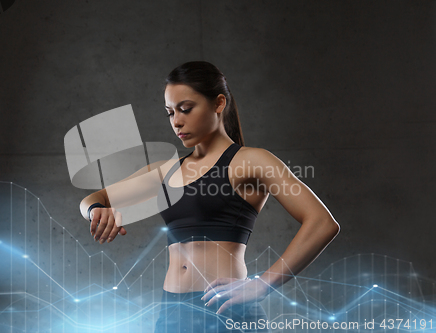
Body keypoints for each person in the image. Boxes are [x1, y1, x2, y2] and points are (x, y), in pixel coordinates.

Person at [79, 61, 340, 332]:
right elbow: (94, 198)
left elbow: (322, 222)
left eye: (186, 109)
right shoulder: (166, 171)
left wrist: (262, 285)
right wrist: (97, 210)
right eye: (169, 113)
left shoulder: (250, 161)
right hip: (171, 314)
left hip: (225, 312)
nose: (177, 121)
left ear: (218, 103)